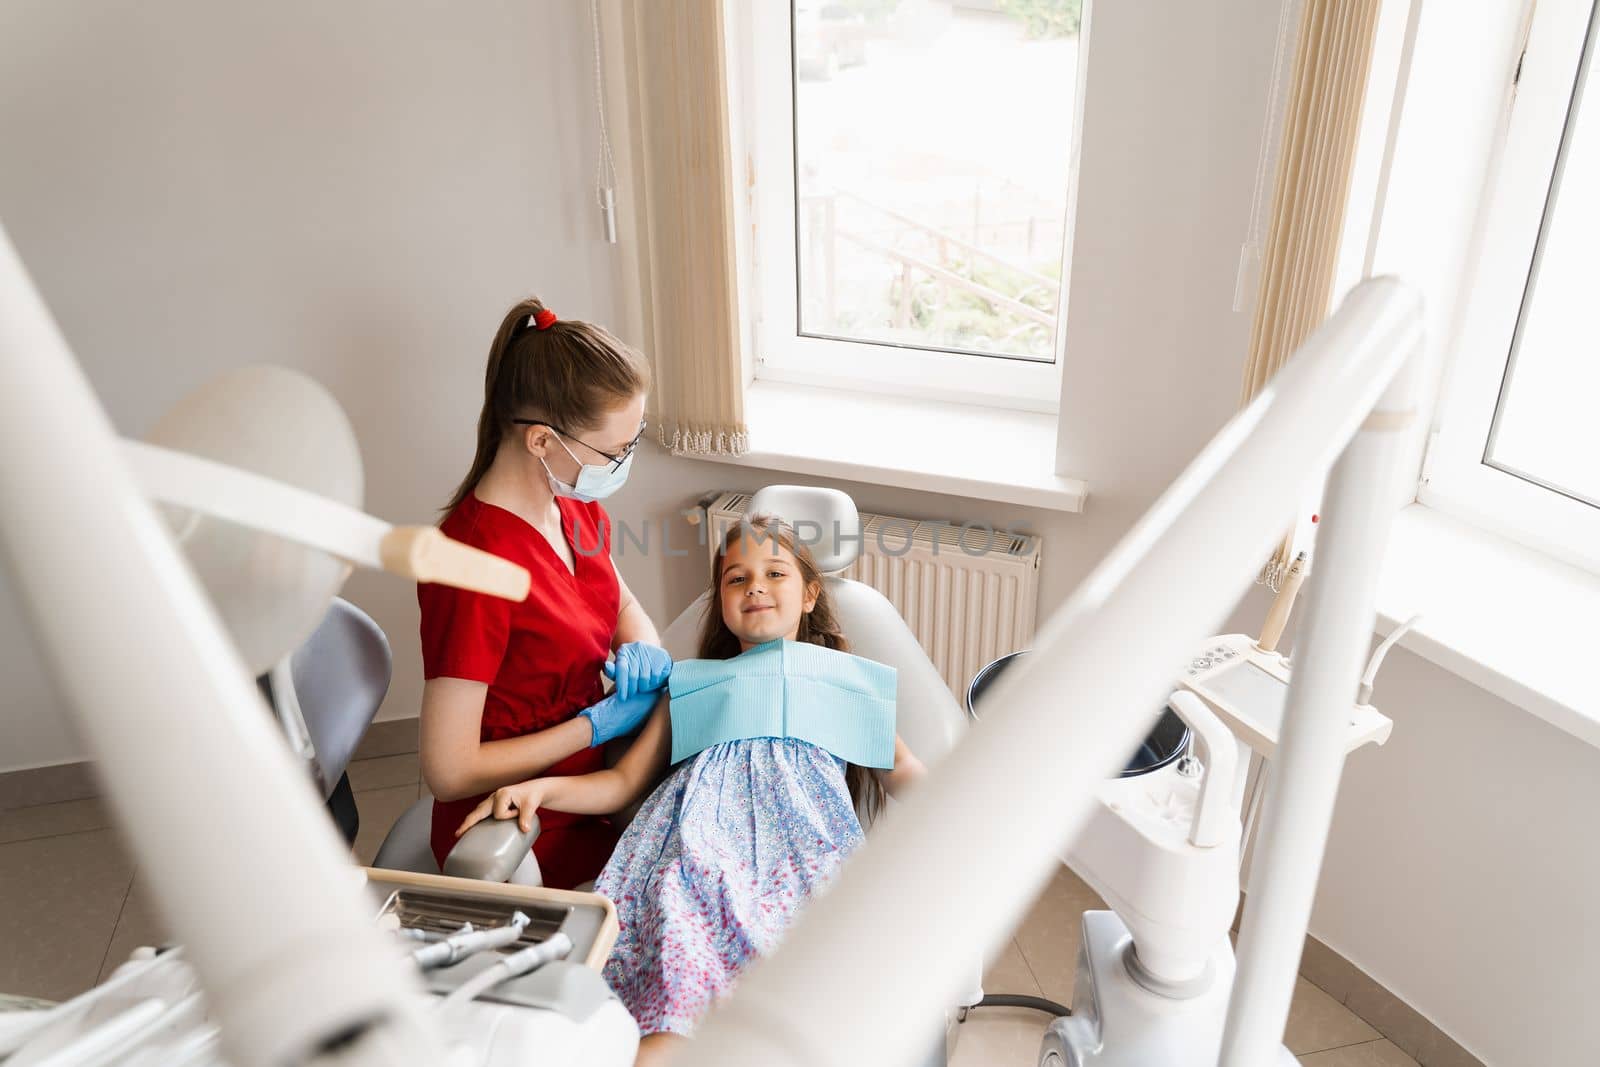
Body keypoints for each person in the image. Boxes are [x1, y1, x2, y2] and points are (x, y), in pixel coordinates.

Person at [456, 515, 927, 1065]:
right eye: (736, 578)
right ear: (722, 602)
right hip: (694, 858)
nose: (755, 586)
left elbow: (906, 769)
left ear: (809, 595)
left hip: (803, 861)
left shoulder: (842, 678)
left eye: (775, 573)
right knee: (678, 967)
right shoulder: (694, 681)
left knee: (809, 975)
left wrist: (969, 825)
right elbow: (621, 783)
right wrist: (539, 789)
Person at [418, 296, 668, 890]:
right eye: (615, 451)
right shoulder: (472, 565)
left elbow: (621, 605)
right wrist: (595, 725)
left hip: (594, 786)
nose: (624, 463)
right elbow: (449, 771)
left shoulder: (572, 509)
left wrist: (645, 648)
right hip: (520, 820)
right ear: (540, 442)